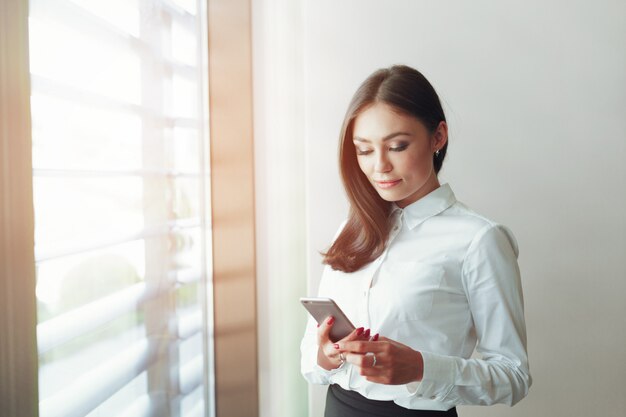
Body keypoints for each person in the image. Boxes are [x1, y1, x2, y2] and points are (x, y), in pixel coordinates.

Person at [300, 65, 531, 417]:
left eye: (396, 146)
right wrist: (326, 355)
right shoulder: (352, 228)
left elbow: (513, 375)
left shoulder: (479, 240)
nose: (380, 166)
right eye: (364, 150)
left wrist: (422, 368)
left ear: (438, 137)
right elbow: (309, 354)